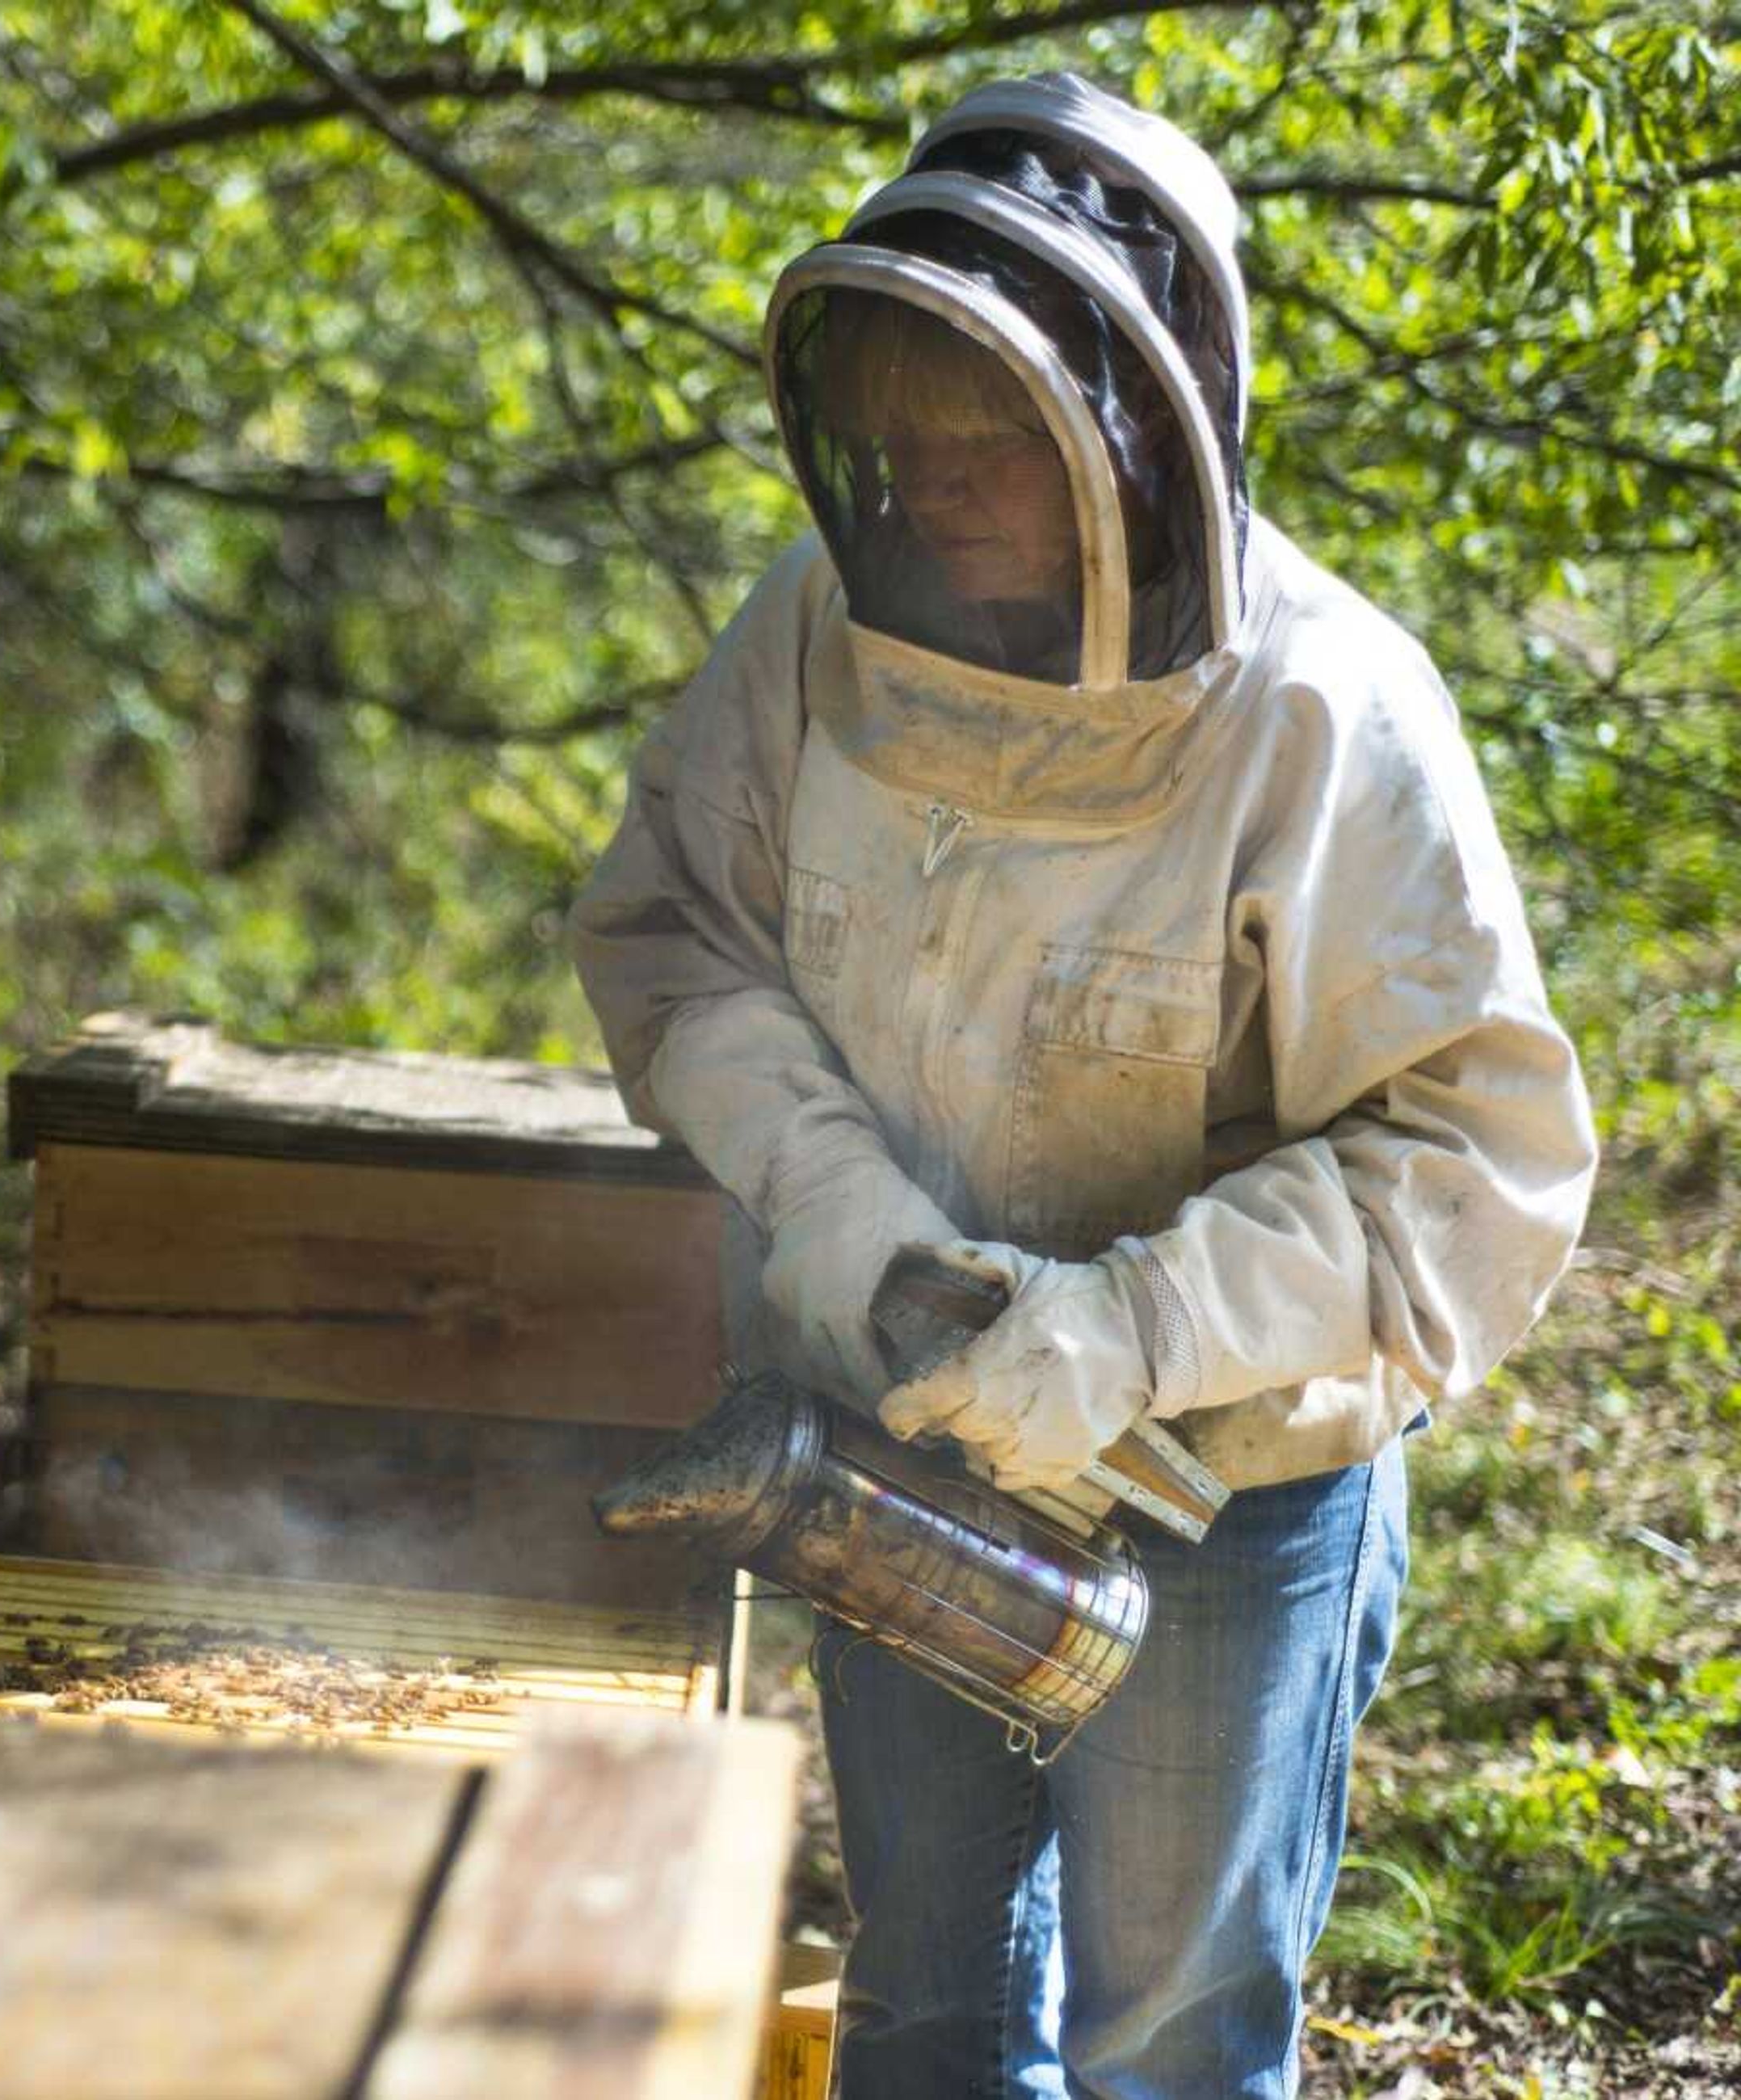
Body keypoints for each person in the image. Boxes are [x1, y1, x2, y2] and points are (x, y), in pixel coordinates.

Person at [566, 73, 1598, 2098]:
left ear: (1136, 427)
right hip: (900, 1424)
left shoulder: (1327, 715)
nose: (940, 475)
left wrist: (1123, 1333)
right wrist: (853, 1226)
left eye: (996, 426)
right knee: (929, 1999)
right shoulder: (809, 639)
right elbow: (682, 934)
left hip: (1222, 1490)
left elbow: (1468, 1156)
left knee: (1168, 2041)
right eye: (907, 411)